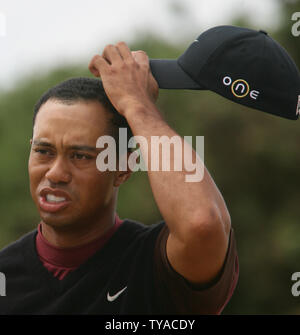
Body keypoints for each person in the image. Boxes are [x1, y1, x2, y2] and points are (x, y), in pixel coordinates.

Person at [0, 42, 238, 315]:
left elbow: (202, 223)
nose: (54, 173)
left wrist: (137, 105)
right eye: (43, 151)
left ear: (124, 167)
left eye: (80, 156)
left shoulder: (154, 267)